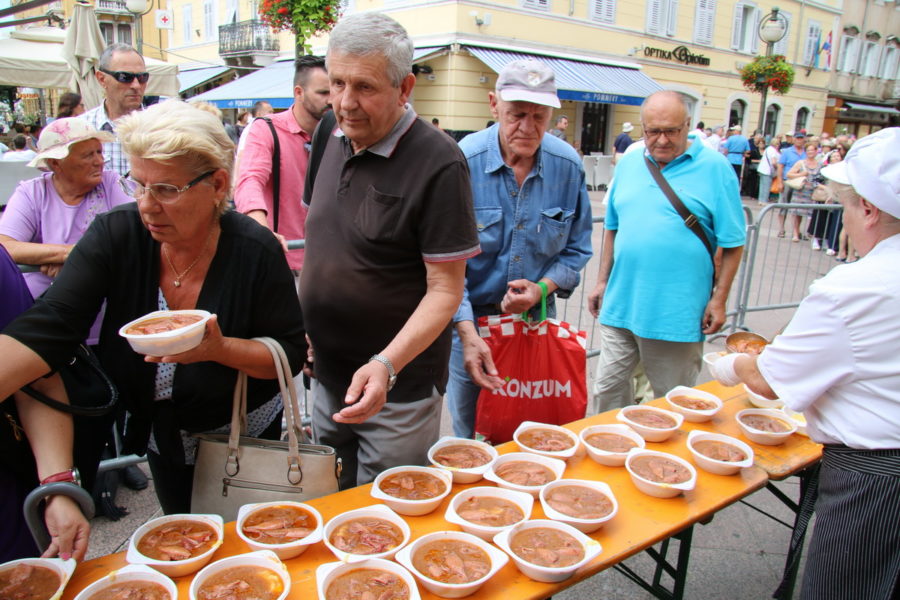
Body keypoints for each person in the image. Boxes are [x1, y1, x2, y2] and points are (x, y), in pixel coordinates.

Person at [0, 100, 306, 515]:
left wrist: (217, 349)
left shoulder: (255, 249)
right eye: (138, 184)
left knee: (252, 540)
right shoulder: (117, 234)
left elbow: (286, 354)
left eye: (166, 189)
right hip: (162, 434)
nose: (146, 204)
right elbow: (53, 322)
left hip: (246, 433)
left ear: (217, 185)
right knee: (182, 531)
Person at [710, 127, 900, 600]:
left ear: (870, 210)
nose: (846, 219)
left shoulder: (852, 287)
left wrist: (730, 365)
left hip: (875, 476)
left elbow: (769, 379)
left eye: (849, 206)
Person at [300, 12, 480, 488]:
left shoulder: (440, 162)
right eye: (336, 83)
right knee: (328, 496)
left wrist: (385, 365)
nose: (345, 103)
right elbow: (321, 239)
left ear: (405, 88)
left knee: (385, 515)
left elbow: (445, 289)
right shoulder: (328, 133)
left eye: (364, 87)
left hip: (398, 389)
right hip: (325, 375)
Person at [445, 59, 593, 439]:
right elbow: (446, 262)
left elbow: (576, 249)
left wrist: (541, 290)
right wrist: (467, 332)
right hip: (471, 323)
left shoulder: (567, 166)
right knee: (470, 432)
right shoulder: (464, 160)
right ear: (493, 105)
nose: (527, 128)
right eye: (516, 114)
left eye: (539, 116)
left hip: (536, 320)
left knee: (532, 431)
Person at [588, 90, 745, 413]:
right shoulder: (631, 162)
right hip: (621, 305)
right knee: (607, 392)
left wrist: (719, 299)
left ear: (688, 125)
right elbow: (613, 228)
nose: (661, 140)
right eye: (652, 131)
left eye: (671, 131)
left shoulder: (716, 169)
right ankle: (611, 457)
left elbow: (733, 242)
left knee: (671, 404)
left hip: (676, 313)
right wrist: (602, 281)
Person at [235, 56, 330, 275]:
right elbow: (249, 181)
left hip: (328, 263)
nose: (332, 100)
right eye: (323, 93)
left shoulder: (340, 133)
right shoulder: (267, 130)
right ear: (299, 92)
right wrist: (261, 231)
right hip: (282, 263)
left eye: (334, 91)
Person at [81, 43, 149, 176]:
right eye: (125, 77)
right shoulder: (82, 129)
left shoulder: (161, 127)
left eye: (142, 77)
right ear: (101, 79)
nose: (136, 85)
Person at [787, 142, 826, 248]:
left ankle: (808, 232)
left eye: (812, 150)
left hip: (813, 191)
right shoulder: (801, 163)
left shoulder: (820, 164)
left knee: (811, 213)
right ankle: (796, 233)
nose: (810, 152)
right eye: (808, 150)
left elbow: (822, 178)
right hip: (801, 190)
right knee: (797, 212)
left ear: (816, 151)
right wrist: (801, 174)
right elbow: (789, 174)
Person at [777, 130, 808, 240]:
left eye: (801, 138)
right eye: (797, 138)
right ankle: (781, 228)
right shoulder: (787, 152)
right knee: (784, 205)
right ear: (794, 139)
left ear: (804, 139)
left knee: (798, 208)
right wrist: (780, 182)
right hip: (788, 181)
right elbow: (780, 166)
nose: (799, 140)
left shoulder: (806, 152)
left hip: (801, 182)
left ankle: (796, 230)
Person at [757, 135, 782, 206]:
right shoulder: (773, 151)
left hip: (762, 169)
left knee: (762, 185)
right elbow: (774, 162)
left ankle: (760, 200)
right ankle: (764, 201)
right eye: (778, 144)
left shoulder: (768, 149)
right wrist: (777, 168)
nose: (779, 145)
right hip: (768, 170)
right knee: (767, 186)